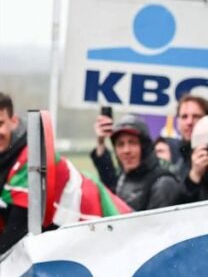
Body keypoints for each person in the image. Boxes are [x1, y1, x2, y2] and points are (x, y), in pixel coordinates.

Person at [0, 92, 130, 253]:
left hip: (101, 222)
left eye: (0, 124)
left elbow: (14, 236)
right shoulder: (10, 155)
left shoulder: (31, 159)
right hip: (71, 231)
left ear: (14, 121)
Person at [90, 114, 180, 211]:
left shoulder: (163, 183)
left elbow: (157, 225)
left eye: (132, 142)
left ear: (145, 147)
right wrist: (101, 142)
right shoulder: (123, 177)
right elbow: (108, 182)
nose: (126, 150)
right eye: (120, 144)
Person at [168, 94, 208, 180]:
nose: (189, 122)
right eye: (184, 117)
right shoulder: (173, 155)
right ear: (178, 122)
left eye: (196, 116)